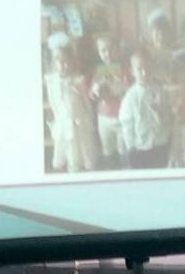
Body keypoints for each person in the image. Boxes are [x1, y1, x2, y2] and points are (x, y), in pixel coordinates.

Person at [43, 31, 99, 173]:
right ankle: (73, 170)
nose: (62, 65)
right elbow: (53, 101)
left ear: (72, 61)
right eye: (58, 62)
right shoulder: (52, 81)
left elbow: (86, 102)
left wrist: (89, 119)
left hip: (79, 122)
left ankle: (88, 170)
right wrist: (57, 119)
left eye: (65, 61)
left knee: (85, 152)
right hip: (64, 123)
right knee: (71, 154)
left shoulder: (78, 80)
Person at [119, 50, 171, 169]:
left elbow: (167, 117)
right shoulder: (131, 95)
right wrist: (130, 146)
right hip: (141, 146)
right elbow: (127, 122)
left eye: (148, 68)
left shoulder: (160, 91)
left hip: (160, 143)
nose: (144, 73)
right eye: (140, 69)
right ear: (132, 72)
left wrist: (161, 112)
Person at [89, 33, 130, 170]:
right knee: (108, 150)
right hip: (103, 117)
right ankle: (111, 170)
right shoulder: (98, 70)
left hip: (120, 116)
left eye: (111, 49)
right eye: (103, 50)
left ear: (118, 50)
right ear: (99, 52)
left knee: (123, 149)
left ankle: (125, 172)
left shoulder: (125, 69)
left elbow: (129, 91)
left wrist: (122, 88)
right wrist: (95, 91)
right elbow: (92, 93)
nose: (107, 53)